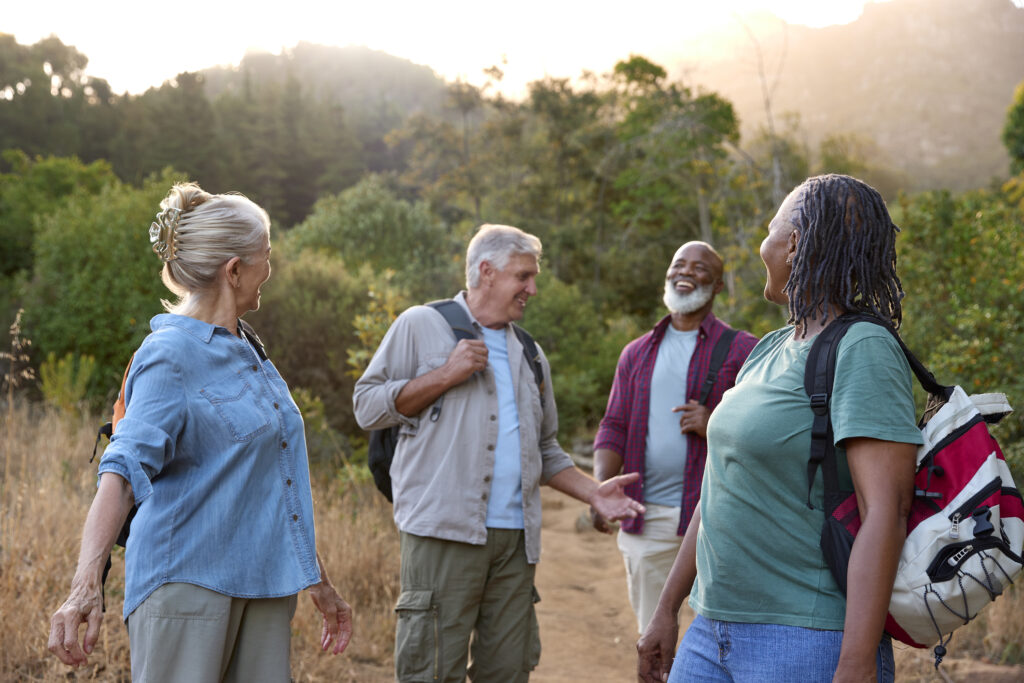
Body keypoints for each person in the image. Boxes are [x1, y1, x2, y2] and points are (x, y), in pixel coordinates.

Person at [48, 183, 352, 681]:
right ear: (235, 271)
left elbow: (276, 480)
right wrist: (86, 585)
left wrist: (317, 579)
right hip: (189, 587)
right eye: (266, 257)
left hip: (266, 587)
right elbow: (121, 473)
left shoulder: (249, 352)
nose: (270, 270)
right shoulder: (169, 355)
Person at [637, 174, 923, 683]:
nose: (759, 246)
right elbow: (717, 490)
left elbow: (887, 510)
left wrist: (856, 664)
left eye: (770, 230)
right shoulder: (769, 349)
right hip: (711, 632)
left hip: (804, 640)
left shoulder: (862, 348)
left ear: (794, 243)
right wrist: (667, 608)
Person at [353, 223, 645, 682]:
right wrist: (445, 375)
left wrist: (594, 493)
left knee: (507, 671)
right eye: (523, 277)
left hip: (515, 545)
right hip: (442, 534)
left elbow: (545, 448)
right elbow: (367, 407)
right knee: (431, 670)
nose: (531, 289)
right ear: (486, 271)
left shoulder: (530, 352)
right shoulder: (419, 324)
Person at [591, 241, 757, 633]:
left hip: (715, 521)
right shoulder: (636, 353)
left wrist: (714, 420)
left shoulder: (743, 350)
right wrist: (601, 487)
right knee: (651, 637)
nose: (685, 271)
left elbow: (765, 430)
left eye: (699, 268)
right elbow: (613, 425)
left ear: (717, 285)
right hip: (643, 518)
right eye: (678, 263)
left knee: (717, 639)